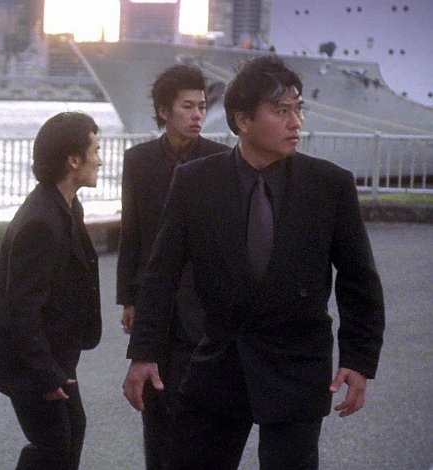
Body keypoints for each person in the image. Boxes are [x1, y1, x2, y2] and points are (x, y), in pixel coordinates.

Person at [122, 54, 386, 469]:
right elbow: (161, 273)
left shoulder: (329, 185)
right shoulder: (196, 182)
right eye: (281, 111)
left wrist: (358, 359)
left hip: (296, 365)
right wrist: (144, 353)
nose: (296, 122)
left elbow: (359, 280)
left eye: (298, 109)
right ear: (243, 120)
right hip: (219, 362)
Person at [0, 111, 103, 470]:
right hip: (28, 360)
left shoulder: (65, 205)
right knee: (54, 447)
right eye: (96, 151)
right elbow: (20, 310)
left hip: (51, 355)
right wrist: (45, 375)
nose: (100, 160)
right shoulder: (42, 221)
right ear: (74, 160)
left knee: (68, 435)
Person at [115, 64, 229, 469]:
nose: (197, 115)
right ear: (164, 111)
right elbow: (131, 233)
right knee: (155, 403)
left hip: (203, 300)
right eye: (187, 106)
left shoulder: (219, 160)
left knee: (198, 406)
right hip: (154, 298)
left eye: (202, 106)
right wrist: (128, 298)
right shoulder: (139, 160)